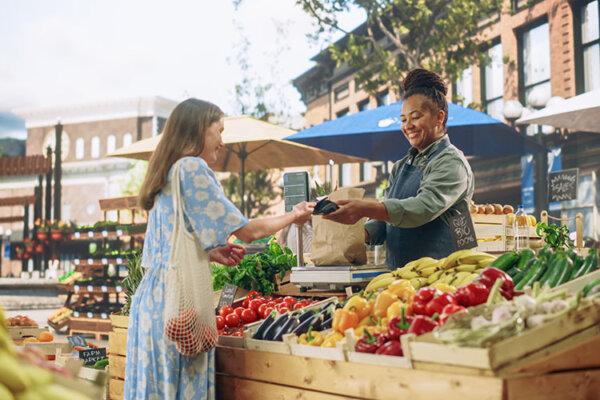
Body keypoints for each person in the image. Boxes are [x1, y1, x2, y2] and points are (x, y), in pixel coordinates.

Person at [124, 98, 314, 400]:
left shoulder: (166, 175)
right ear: (200, 129)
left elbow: (168, 244)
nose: (222, 142)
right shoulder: (191, 167)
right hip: (178, 306)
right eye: (219, 131)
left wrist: (210, 252)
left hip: (150, 304)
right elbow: (248, 232)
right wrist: (294, 215)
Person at [324, 68, 474, 268]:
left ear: (439, 118)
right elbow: (386, 220)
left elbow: (423, 207)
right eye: (403, 120)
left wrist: (366, 207)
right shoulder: (402, 166)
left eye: (416, 116)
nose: (408, 125)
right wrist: (355, 232)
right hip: (401, 276)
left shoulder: (451, 162)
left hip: (441, 277)